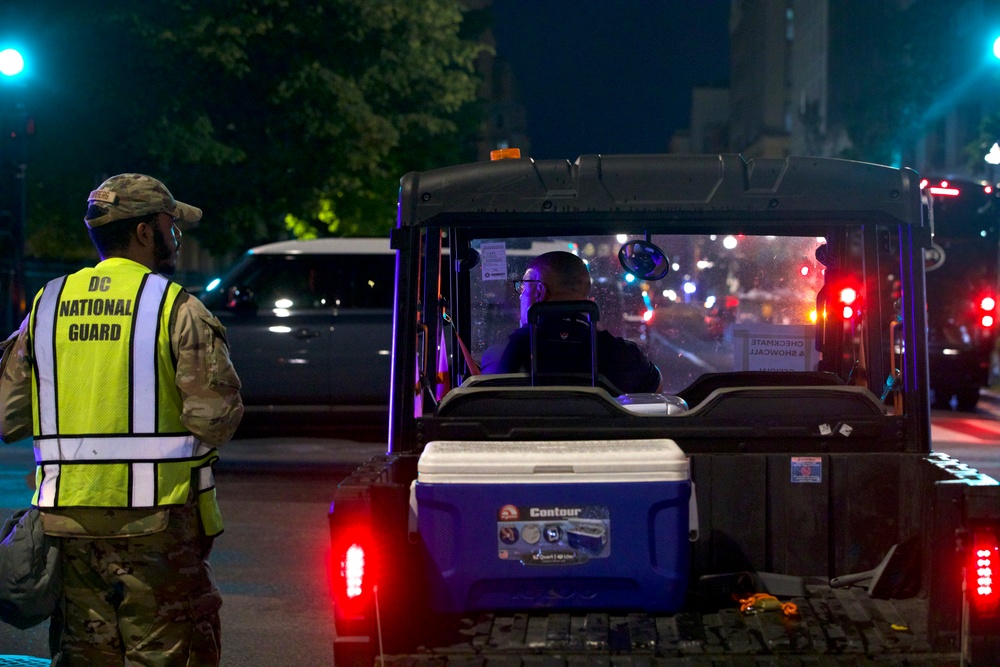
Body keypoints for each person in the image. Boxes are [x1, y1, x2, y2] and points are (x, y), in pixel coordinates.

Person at [0, 174, 244, 665]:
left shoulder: (47, 306)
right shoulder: (177, 308)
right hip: (158, 525)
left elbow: (8, 418)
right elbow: (215, 419)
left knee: (89, 654)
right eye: (170, 224)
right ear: (143, 232)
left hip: (66, 523)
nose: (176, 235)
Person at [480, 251, 662, 393]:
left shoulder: (503, 354)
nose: (521, 296)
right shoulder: (625, 356)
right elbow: (657, 395)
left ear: (539, 292)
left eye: (523, 287)